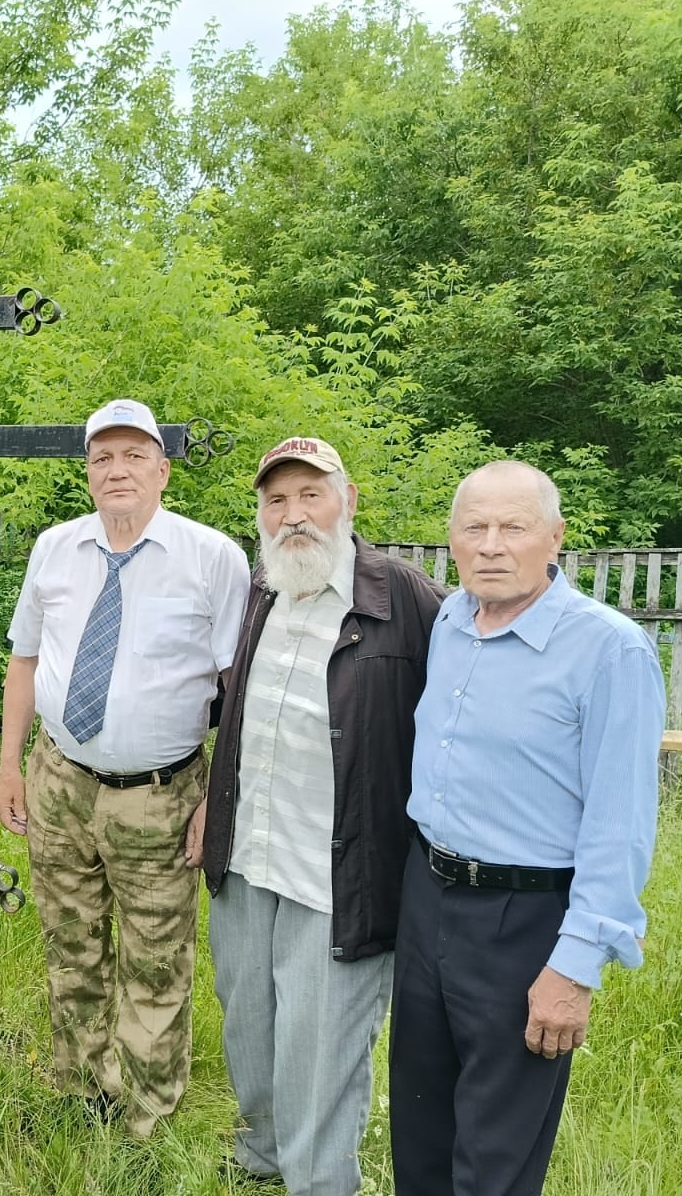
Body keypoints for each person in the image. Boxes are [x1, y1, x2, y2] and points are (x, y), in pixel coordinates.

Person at [390, 460, 664, 1196]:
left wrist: (574, 966)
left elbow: (620, 823)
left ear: (555, 537)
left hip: (526, 918)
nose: (491, 545)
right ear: (452, 539)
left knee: (496, 1154)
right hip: (428, 892)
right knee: (418, 1124)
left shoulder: (609, 650)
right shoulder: (450, 622)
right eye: (474, 527)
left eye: (513, 527)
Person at [189, 437, 443, 1194]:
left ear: (348, 500)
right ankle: (262, 1159)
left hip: (341, 870)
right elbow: (235, 711)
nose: (293, 514)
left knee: (320, 1046)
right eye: (277, 500)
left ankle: (319, 1181)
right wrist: (211, 803)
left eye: (311, 495)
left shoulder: (404, 597)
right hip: (247, 855)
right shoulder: (261, 589)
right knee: (249, 1025)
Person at [0, 398, 251, 1137]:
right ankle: (83, 1094)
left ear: (163, 471)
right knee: (70, 946)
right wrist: (11, 766)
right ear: (87, 472)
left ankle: (145, 1122)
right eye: (102, 457)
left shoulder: (212, 559)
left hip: (160, 796)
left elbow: (237, 690)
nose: (118, 470)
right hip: (61, 781)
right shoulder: (55, 549)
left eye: (135, 455)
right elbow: (24, 661)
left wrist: (216, 800)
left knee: (155, 962)